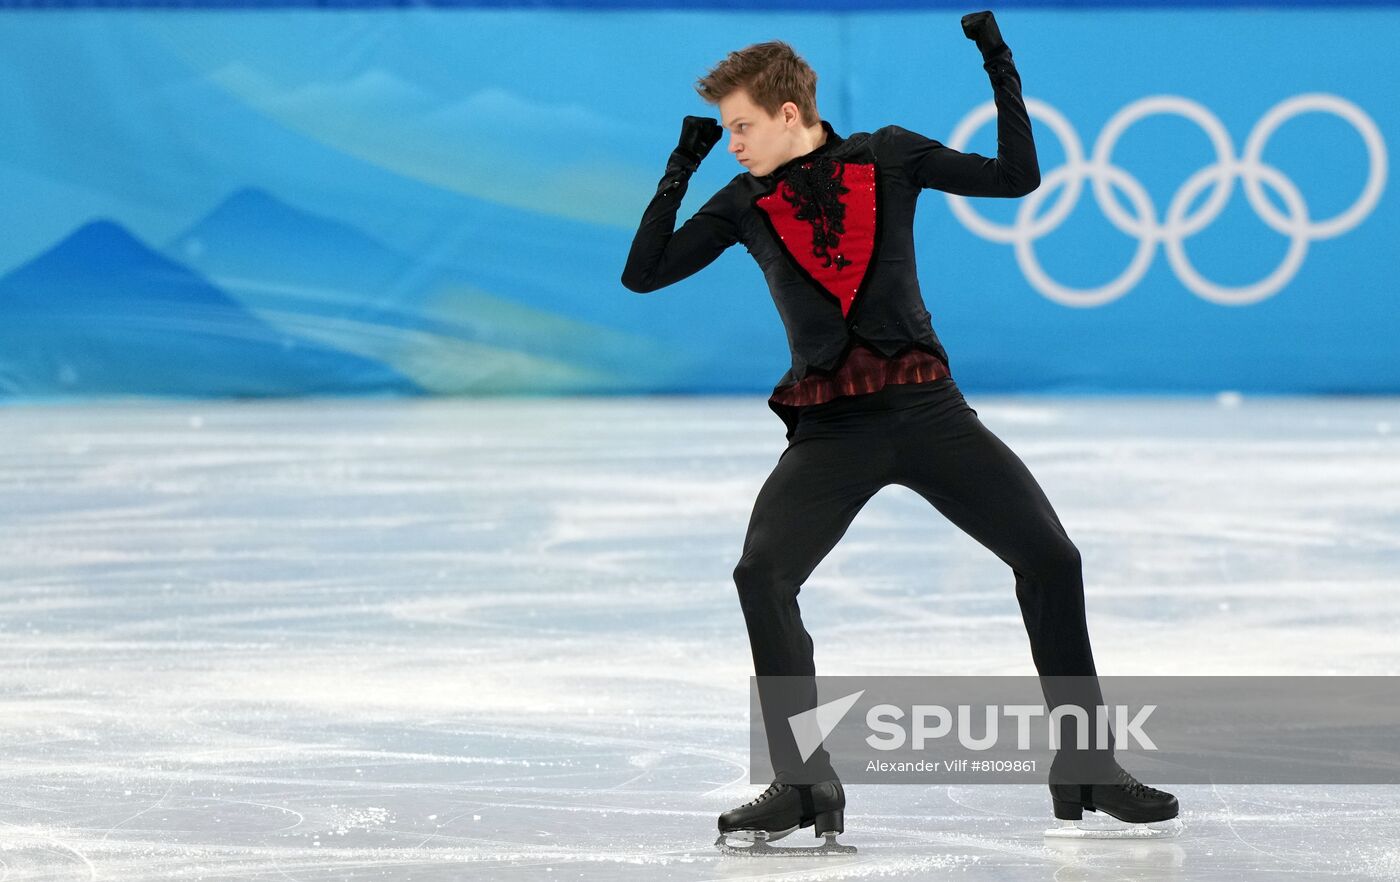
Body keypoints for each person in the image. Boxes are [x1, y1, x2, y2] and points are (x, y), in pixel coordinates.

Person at [621, 11, 1179, 847]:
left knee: (1051, 559)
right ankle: (803, 782)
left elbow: (1016, 178)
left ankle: (1087, 766)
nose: (733, 142)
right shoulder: (742, 203)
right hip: (832, 431)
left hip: (927, 413)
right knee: (760, 575)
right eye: (725, 131)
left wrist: (998, 62)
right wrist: (684, 160)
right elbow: (645, 274)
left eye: (740, 126)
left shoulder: (887, 154)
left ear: (786, 114)